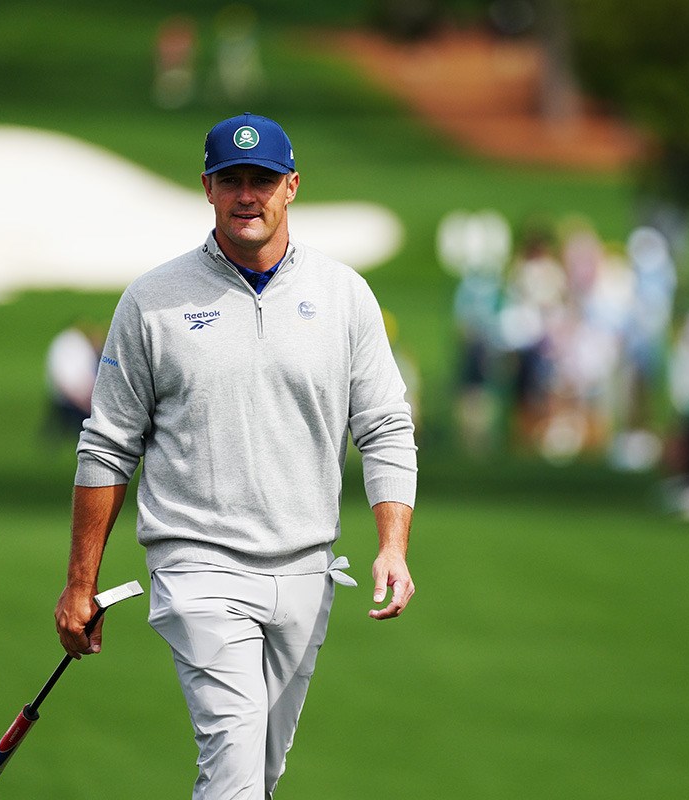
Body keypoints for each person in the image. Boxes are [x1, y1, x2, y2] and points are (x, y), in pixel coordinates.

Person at [54, 113, 418, 799]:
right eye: (231, 181)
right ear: (208, 188)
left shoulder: (343, 295)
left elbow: (385, 426)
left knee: (260, 774)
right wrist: (81, 583)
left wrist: (392, 546)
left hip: (306, 569)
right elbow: (107, 445)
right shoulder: (153, 301)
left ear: (291, 187)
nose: (246, 196)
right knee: (233, 771)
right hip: (198, 566)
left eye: (262, 180)